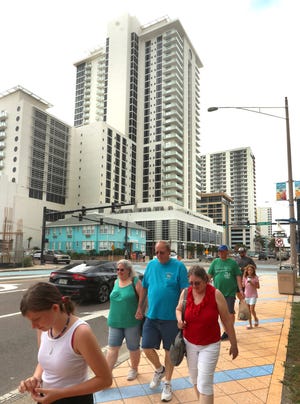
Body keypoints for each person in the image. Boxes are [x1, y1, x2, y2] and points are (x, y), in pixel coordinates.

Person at [18, 282, 112, 404]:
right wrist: (35, 378)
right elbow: (44, 361)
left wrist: (60, 394)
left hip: (74, 399)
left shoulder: (80, 333)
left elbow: (105, 380)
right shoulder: (44, 329)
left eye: (36, 319)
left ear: (55, 308)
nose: (33, 326)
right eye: (30, 321)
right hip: (46, 396)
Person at [136, 240, 189, 402]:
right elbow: (144, 287)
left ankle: (168, 383)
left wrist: (182, 314)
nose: (159, 255)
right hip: (152, 316)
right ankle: (160, 369)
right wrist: (140, 307)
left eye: (162, 252)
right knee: (146, 347)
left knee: (169, 351)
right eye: (156, 252)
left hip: (171, 319)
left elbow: (184, 291)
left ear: (169, 252)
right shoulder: (151, 265)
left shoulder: (178, 266)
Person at [176, 266, 238, 403]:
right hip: (189, 343)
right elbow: (178, 309)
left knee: (205, 383)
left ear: (206, 280)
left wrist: (234, 344)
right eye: (191, 283)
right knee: (195, 379)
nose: (194, 286)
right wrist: (179, 320)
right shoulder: (186, 293)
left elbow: (227, 321)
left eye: (197, 283)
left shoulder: (216, 294)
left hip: (210, 345)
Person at [106, 259, 143, 381]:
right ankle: (107, 373)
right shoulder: (116, 282)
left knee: (133, 347)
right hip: (114, 321)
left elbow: (143, 298)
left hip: (131, 322)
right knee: (112, 348)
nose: (119, 272)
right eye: (117, 269)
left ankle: (134, 369)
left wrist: (140, 309)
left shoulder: (135, 282)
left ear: (128, 270)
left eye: (122, 269)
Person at [208, 245, 243, 341]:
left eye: (223, 251)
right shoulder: (215, 262)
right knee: (221, 314)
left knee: (230, 313)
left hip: (230, 292)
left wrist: (240, 289)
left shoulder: (232, 263)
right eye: (219, 251)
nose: (221, 253)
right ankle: (226, 331)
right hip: (218, 293)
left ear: (227, 252)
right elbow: (209, 275)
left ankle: (229, 331)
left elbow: (238, 276)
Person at [242, 264, 260, 329]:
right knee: (248, 311)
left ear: (253, 271)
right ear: (247, 271)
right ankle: (250, 324)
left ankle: (256, 319)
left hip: (253, 295)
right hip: (246, 295)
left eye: (251, 270)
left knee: (252, 309)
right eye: (249, 270)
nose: (250, 271)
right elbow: (243, 286)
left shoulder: (255, 277)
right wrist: (242, 284)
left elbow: (258, 287)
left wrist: (252, 283)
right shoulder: (245, 277)